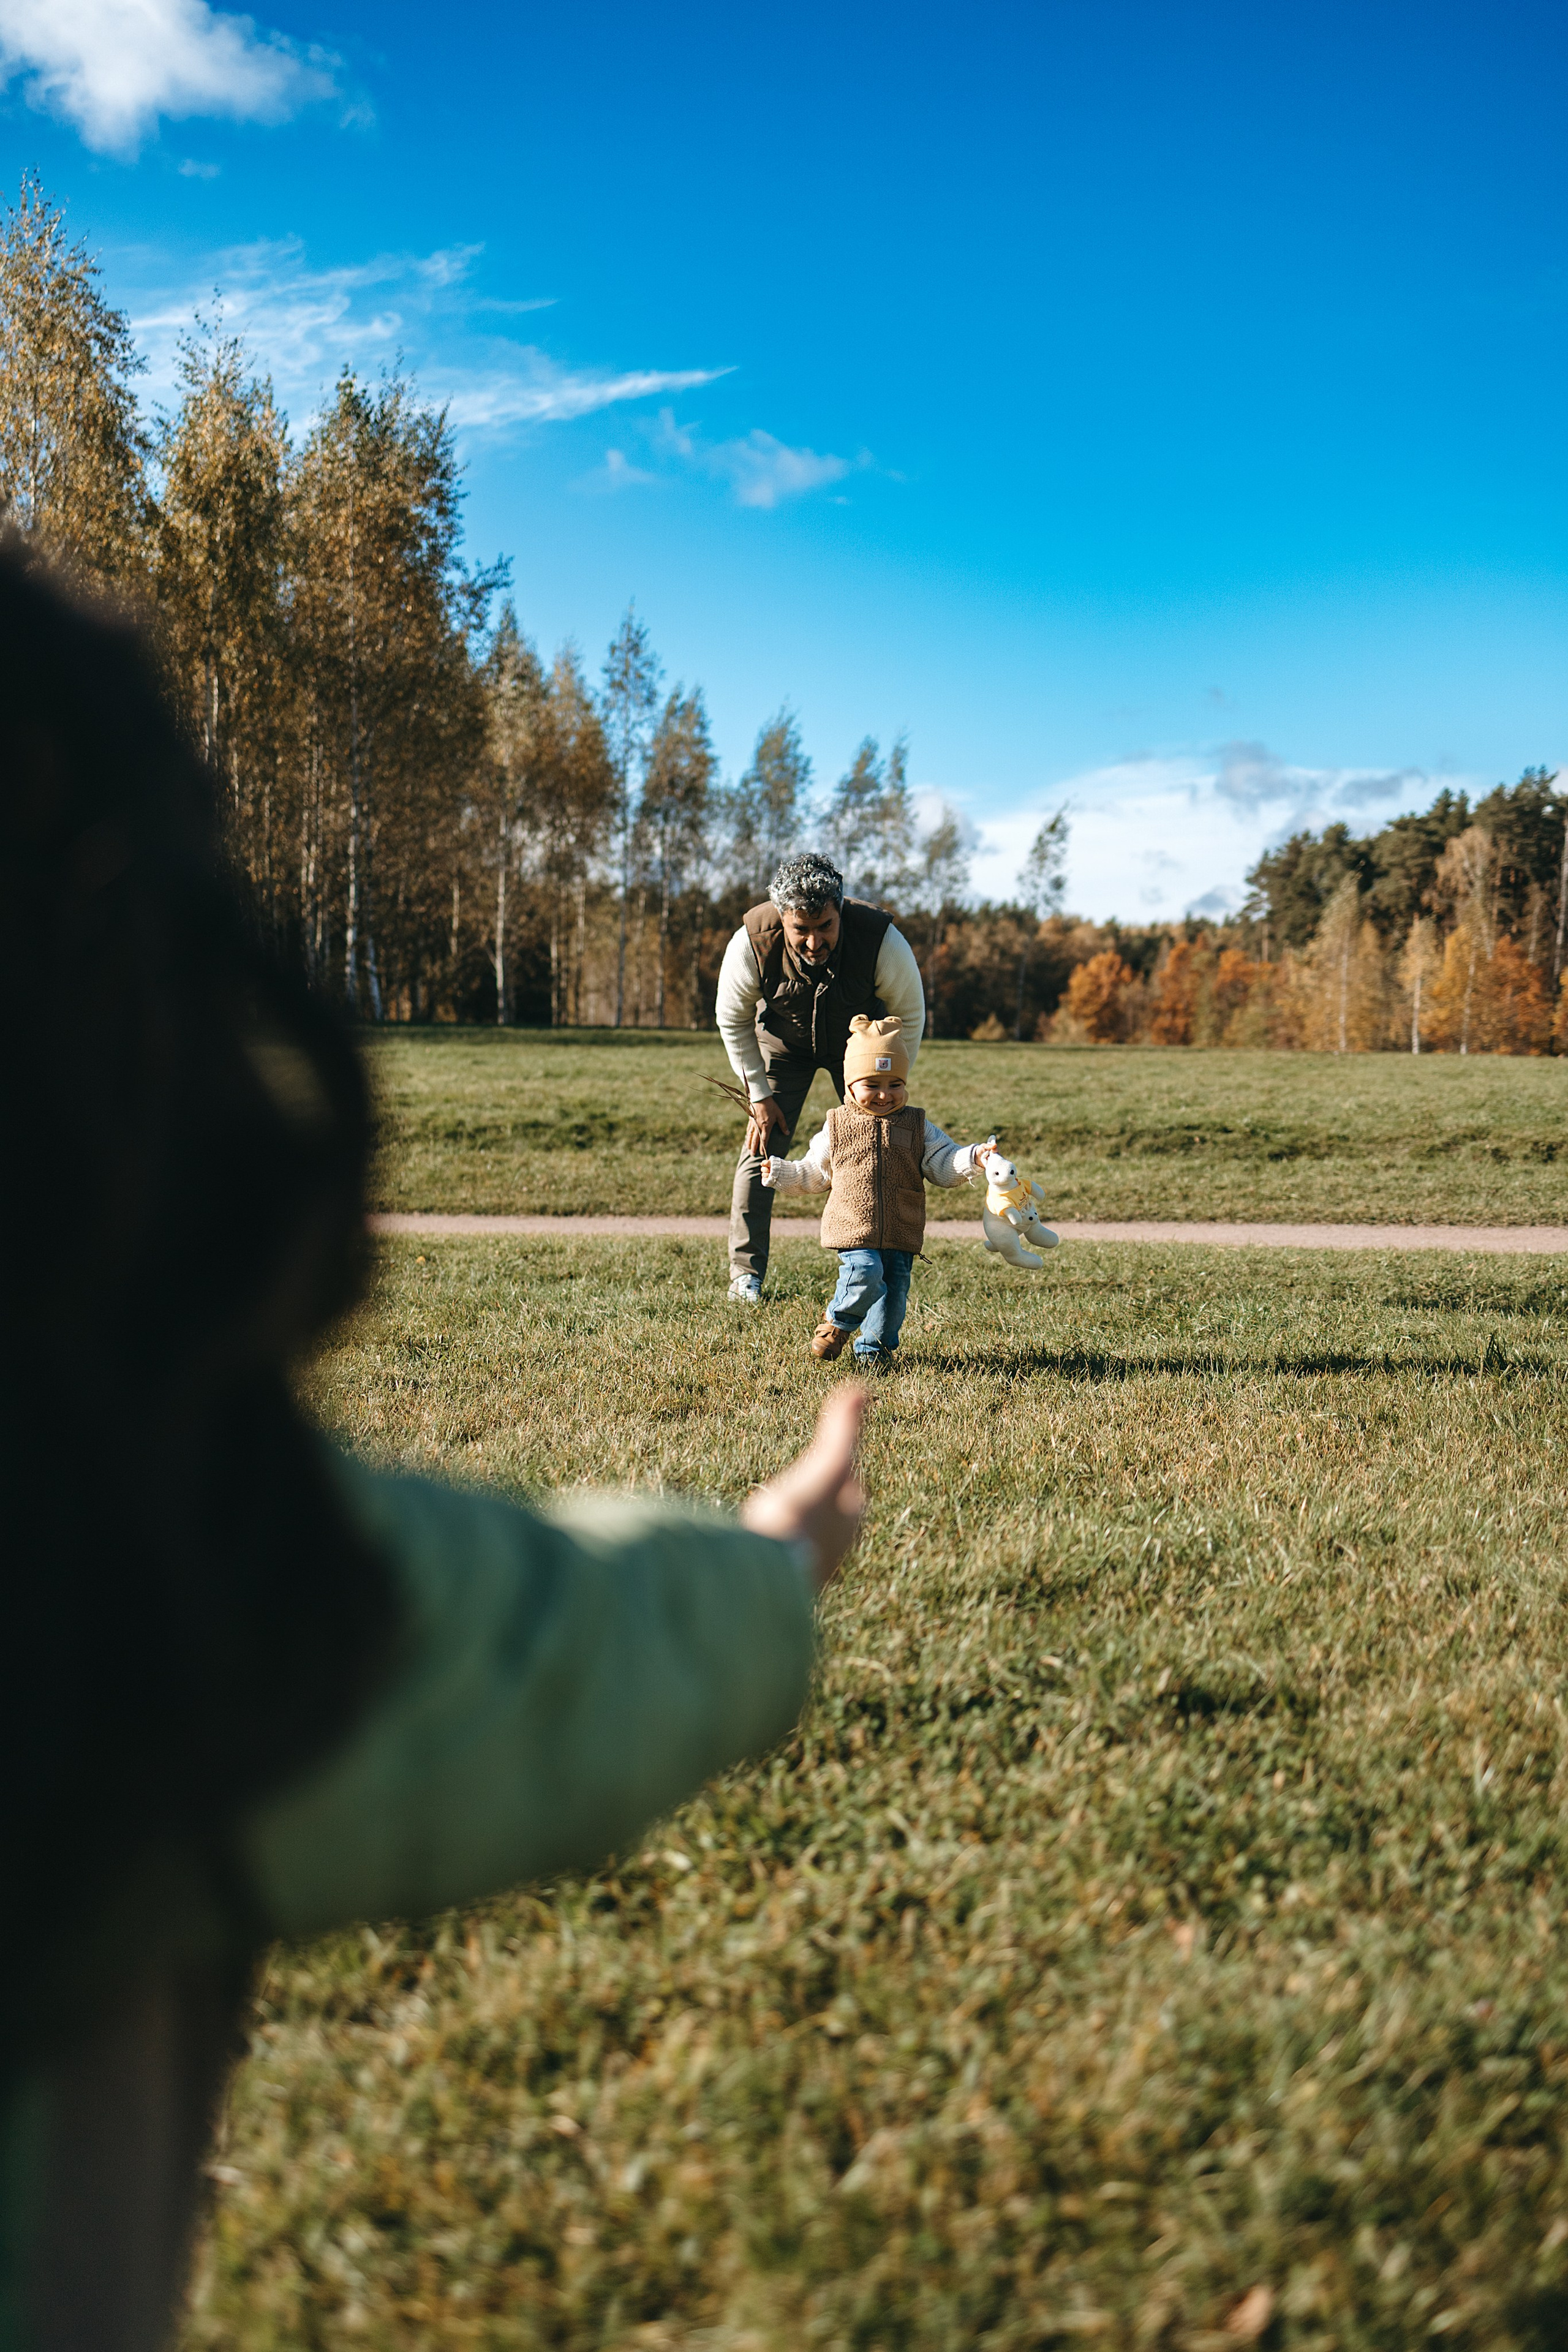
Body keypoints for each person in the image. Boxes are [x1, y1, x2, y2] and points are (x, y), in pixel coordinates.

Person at [0, 545, 868, 2352]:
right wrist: (769, 1559)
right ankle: (740, 1244)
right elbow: (539, 1648)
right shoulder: (154, 1563)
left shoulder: (868, 951)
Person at [715, 851, 925, 1303]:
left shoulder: (880, 940)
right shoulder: (750, 942)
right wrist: (758, 1093)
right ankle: (744, 1276)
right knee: (761, 1147)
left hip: (860, 1046)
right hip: (781, 1046)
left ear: (841, 910)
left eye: (825, 927)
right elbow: (731, 1020)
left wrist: (888, 1082)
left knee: (878, 1150)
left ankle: (878, 1270)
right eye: (800, 931)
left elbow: (909, 1014)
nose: (813, 942)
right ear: (783, 919)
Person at [762, 1014, 993, 1370]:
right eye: (872, 1084)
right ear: (850, 1085)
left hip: (901, 1227)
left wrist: (973, 1157)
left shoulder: (917, 1125)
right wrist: (780, 1172)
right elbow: (813, 1172)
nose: (885, 1094)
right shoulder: (838, 1126)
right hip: (854, 1227)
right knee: (865, 1272)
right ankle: (838, 1324)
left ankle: (874, 1353)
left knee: (894, 1298)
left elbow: (943, 1162)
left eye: (895, 1083)